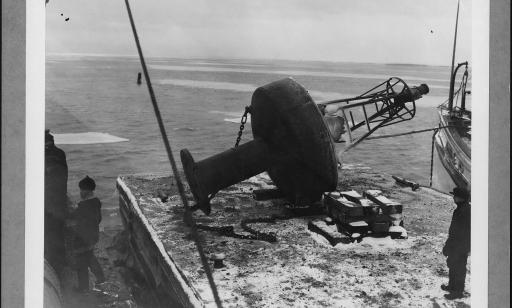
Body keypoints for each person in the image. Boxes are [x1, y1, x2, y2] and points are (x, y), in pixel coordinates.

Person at [69, 175, 105, 292]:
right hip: (93, 236)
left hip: (83, 239)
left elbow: (75, 220)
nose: (80, 192)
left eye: (82, 190)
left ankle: (83, 288)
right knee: (90, 257)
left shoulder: (83, 207)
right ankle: (101, 278)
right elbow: (98, 219)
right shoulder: (96, 202)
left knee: (82, 263)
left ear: (87, 190)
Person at [44, 129, 68, 276]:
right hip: (59, 199)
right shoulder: (60, 153)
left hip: (50, 201)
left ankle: (55, 265)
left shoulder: (46, 156)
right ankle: (61, 261)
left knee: (51, 233)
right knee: (58, 231)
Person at [441, 186, 471, 299]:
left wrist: (464, 248)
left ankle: (457, 292)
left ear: (460, 198)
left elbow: (464, 232)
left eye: (455, 195)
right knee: (452, 265)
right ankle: (452, 286)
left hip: (460, 245)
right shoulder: (461, 209)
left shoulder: (465, 211)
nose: (453, 197)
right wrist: (449, 245)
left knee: (459, 268)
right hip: (456, 244)